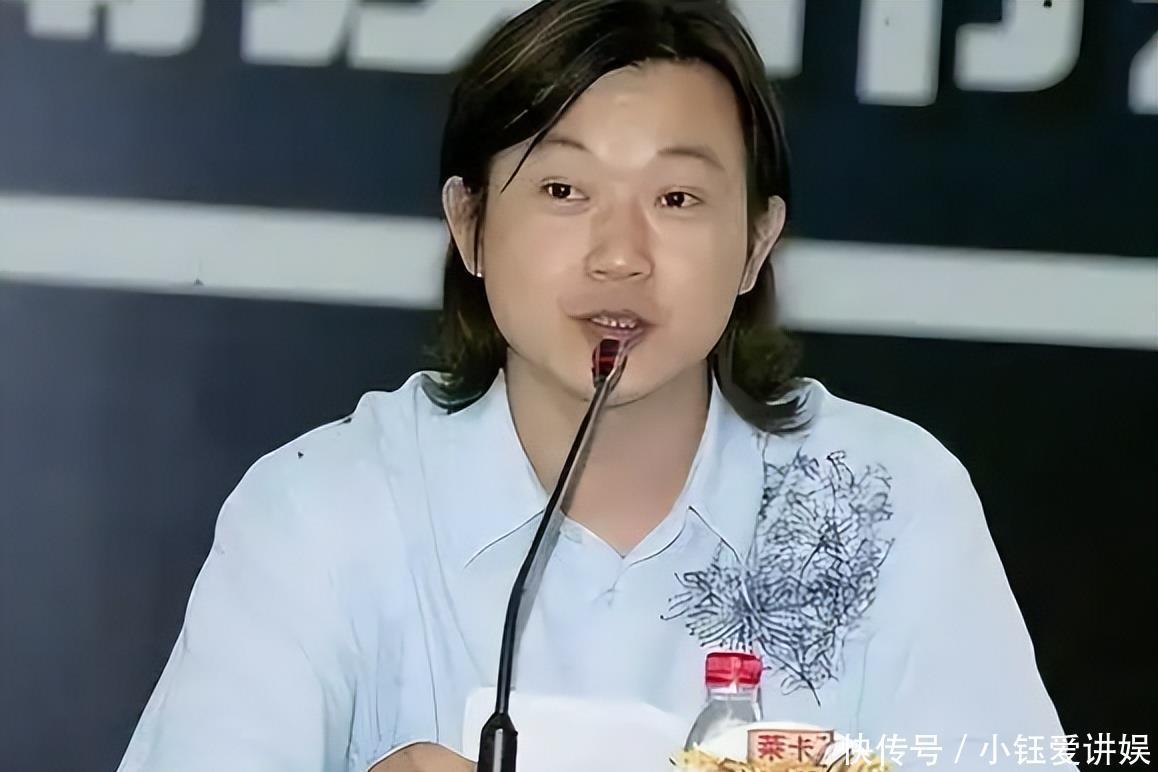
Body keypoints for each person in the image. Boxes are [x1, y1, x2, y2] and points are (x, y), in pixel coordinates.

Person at [118, 1, 1075, 770]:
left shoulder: (886, 503)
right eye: (564, 191)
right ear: (468, 225)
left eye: (677, 198)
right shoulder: (323, 510)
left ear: (757, 243)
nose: (621, 256)